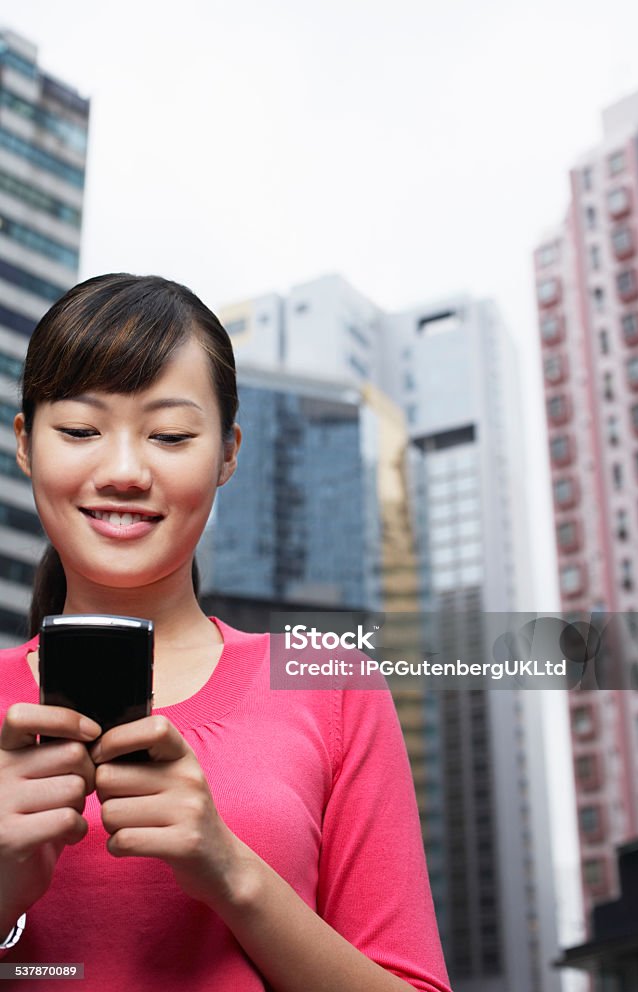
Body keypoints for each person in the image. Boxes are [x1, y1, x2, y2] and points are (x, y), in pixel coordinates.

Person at [0, 273, 452, 992]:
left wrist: (232, 872)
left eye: (171, 435)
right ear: (26, 444)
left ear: (229, 453)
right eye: (81, 430)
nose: (122, 471)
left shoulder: (332, 682)